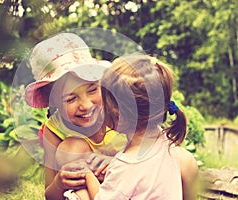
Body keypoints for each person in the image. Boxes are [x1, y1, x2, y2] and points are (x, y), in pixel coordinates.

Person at [69, 53, 199, 200]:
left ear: (119, 113)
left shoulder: (125, 166)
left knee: (79, 195)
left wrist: (87, 174)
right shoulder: (181, 157)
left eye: (105, 102)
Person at [24, 33, 127, 200]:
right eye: (70, 98)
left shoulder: (117, 112)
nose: (86, 105)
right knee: (71, 152)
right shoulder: (55, 130)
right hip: (89, 192)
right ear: (53, 101)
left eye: (92, 90)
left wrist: (117, 166)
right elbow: (50, 195)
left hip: (129, 186)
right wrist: (59, 182)